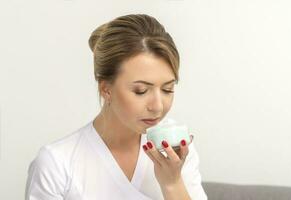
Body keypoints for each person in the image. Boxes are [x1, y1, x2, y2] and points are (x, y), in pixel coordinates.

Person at [25, 14, 207, 200]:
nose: (158, 106)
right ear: (106, 89)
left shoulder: (175, 151)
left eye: (167, 89)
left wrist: (172, 184)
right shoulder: (57, 164)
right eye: (141, 91)